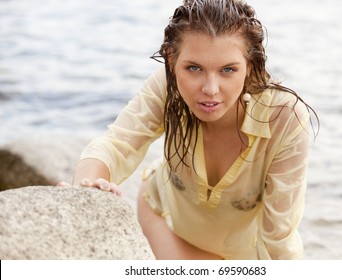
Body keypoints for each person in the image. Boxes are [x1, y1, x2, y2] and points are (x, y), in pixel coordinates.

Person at [66, 0, 319, 260]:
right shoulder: (167, 87)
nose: (210, 89)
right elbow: (116, 144)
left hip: (240, 257)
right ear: (172, 60)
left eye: (228, 70)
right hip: (162, 221)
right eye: (194, 68)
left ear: (250, 67)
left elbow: (279, 236)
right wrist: (85, 188)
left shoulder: (283, 118)